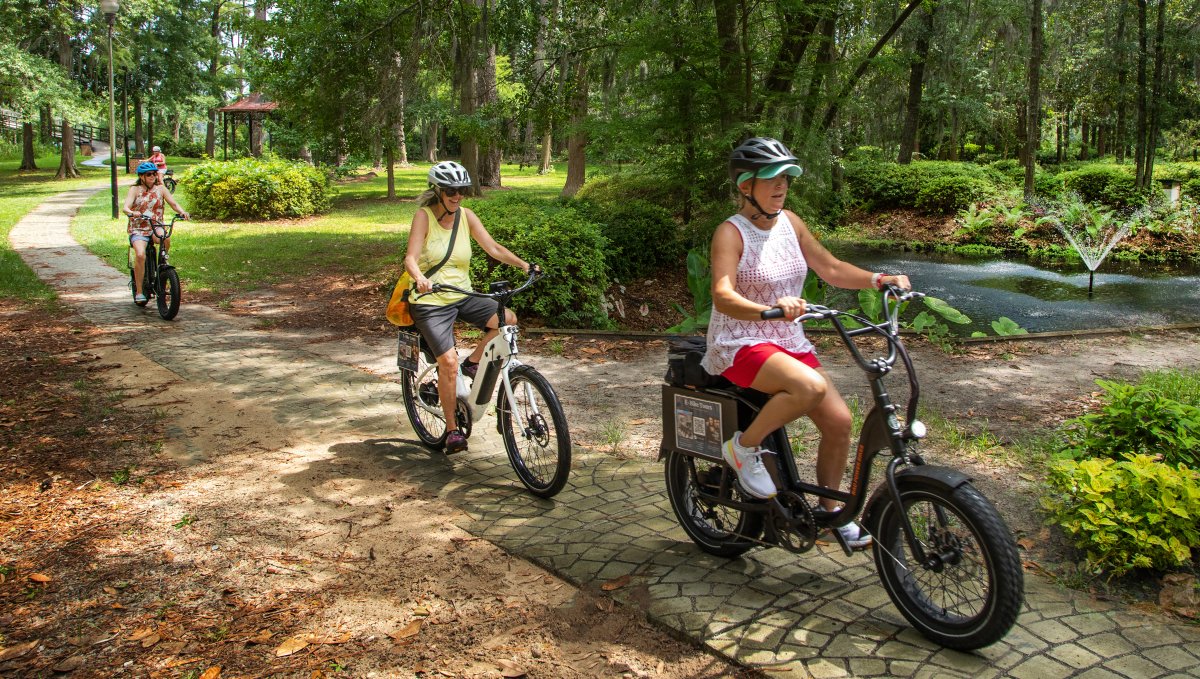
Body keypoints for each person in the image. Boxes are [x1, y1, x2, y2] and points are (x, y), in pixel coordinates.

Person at [701, 137, 910, 549]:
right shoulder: (730, 232)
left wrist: (878, 279)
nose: (781, 186)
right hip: (741, 339)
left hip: (787, 339)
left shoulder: (791, 223)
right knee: (810, 387)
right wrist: (766, 309)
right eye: (771, 179)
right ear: (746, 186)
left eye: (785, 179)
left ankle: (833, 514)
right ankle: (743, 449)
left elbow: (830, 267)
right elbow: (722, 295)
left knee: (840, 423)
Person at [405, 161, 533, 454]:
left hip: (460, 293)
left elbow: (494, 248)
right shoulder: (423, 218)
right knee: (447, 362)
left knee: (507, 320)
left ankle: (473, 362)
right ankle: (452, 431)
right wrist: (420, 277)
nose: (457, 195)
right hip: (431, 301)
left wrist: (525, 265)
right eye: (451, 190)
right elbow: (410, 257)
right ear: (437, 191)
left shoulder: (466, 216)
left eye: (461, 190)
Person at [123, 160, 188, 303]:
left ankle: (162, 264)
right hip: (138, 227)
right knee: (140, 254)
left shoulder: (161, 189)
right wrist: (132, 213)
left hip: (155, 225)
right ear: (142, 177)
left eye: (154, 174)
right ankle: (140, 291)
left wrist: (182, 212)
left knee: (165, 237)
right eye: (149, 174)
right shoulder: (135, 189)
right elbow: (126, 207)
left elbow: (173, 203)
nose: (152, 176)